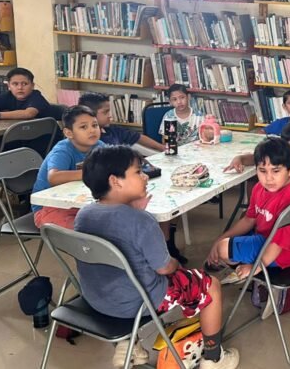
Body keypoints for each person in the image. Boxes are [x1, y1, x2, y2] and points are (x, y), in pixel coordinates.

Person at [74, 145, 239, 369]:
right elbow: (163, 267)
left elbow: (117, 228)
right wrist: (178, 265)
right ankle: (213, 358)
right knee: (210, 286)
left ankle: (128, 345)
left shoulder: (84, 215)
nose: (145, 176)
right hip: (138, 303)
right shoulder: (141, 221)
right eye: (138, 172)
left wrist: (135, 211)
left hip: (97, 299)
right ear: (116, 181)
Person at [209, 137, 290, 290]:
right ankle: (245, 267)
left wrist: (255, 266)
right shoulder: (259, 187)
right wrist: (220, 238)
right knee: (226, 240)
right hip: (268, 239)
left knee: (223, 249)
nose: (268, 178)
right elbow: (249, 220)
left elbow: (278, 244)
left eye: (276, 171)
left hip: (286, 251)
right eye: (262, 171)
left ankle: (255, 274)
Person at [31, 106, 105, 229]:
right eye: (83, 127)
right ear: (68, 133)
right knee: (88, 232)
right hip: (49, 208)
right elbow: (54, 177)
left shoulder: (99, 146)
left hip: (80, 203)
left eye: (95, 125)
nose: (92, 130)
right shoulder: (63, 150)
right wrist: (90, 173)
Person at [0, 67, 51, 167]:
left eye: (24, 84)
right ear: (9, 86)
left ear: (32, 86)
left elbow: (28, 113)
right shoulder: (8, 96)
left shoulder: (36, 97)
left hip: (39, 141)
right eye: (15, 84)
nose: (20, 88)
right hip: (20, 137)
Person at [78, 92, 164, 154]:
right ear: (89, 114)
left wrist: (163, 148)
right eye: (105, 112)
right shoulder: (88, 139)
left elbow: (138, 137)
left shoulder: (113, 130)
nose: (110, 115)